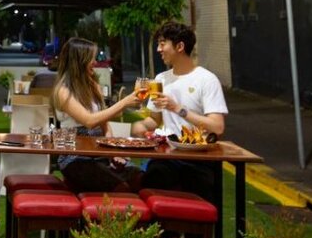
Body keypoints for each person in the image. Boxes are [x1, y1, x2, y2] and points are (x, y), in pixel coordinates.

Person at [131, 22, 228, 201]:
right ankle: (163, 230)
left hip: (199, 159)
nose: (158, 49)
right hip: (168, 155)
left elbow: (217, 127)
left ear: (180, 46)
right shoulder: (161, 79)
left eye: (162, 43)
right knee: (151, 181)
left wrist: (177, 108)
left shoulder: (206, 80)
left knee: (199, 199)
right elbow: (154, 119)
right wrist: (140, 126)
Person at [52, 37, 143, 193]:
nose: (95, 62)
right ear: (79, 61)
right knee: (121, 188)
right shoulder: (63, 91)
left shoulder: (93, 84)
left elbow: (104, 123)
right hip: (75, 157)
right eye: (91, 58)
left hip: (99, 152)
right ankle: (103, 217)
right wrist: (124, 103)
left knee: (140, 178)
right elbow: (89, 121)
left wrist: (112, 153)